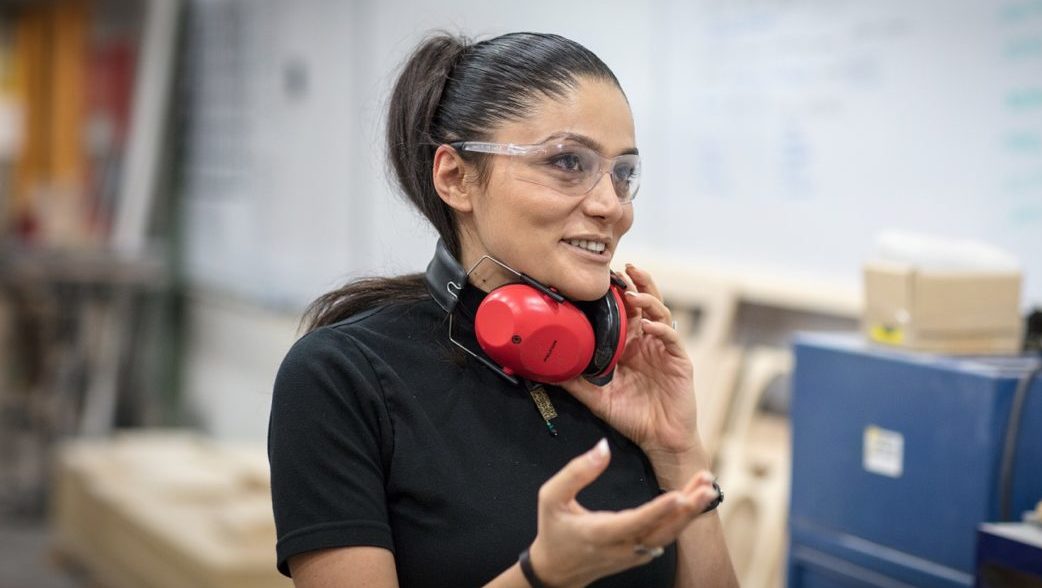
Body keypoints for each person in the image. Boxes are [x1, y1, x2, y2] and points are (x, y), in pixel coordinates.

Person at [268, 31, 738, 587]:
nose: (612, 206)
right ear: (456, 177)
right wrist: (541, 577)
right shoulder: (341, 377)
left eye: (623, 173)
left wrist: (679, 452)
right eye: (567, 162)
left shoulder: (616, 371)